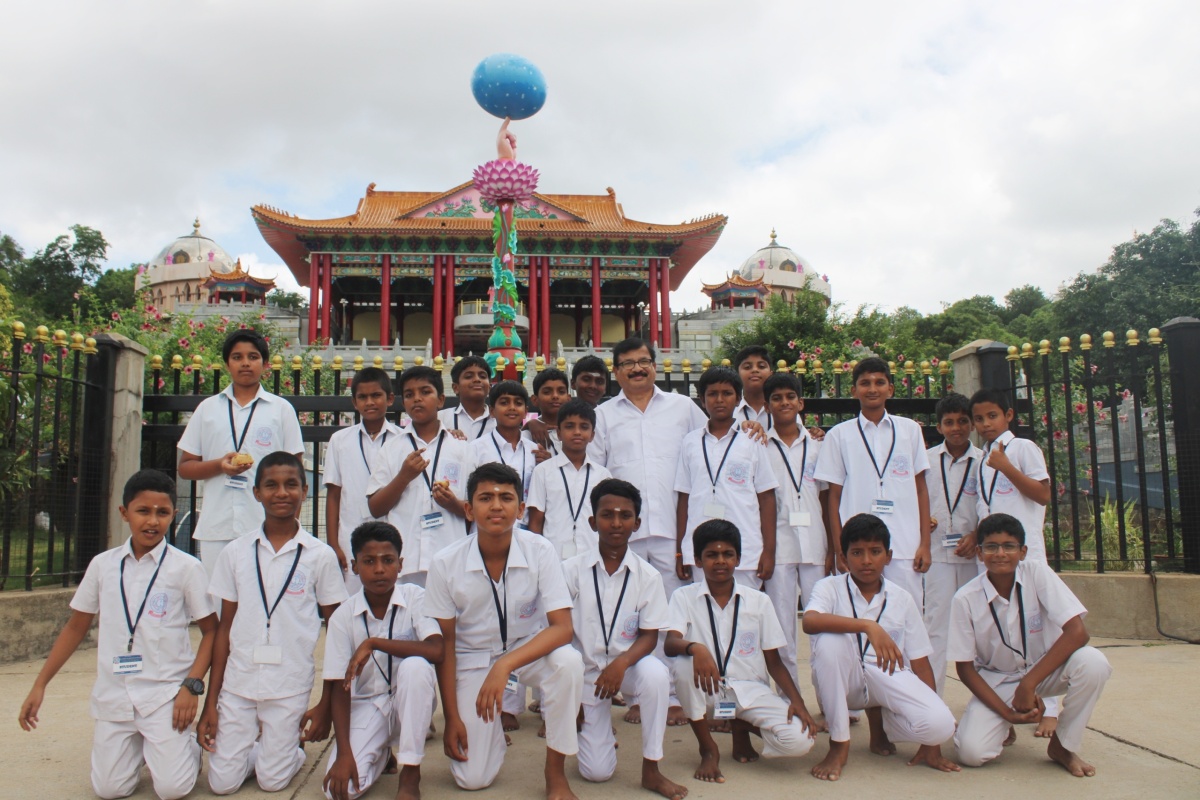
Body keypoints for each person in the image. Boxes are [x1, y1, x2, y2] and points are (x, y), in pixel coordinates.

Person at [19, 470, 216, 800]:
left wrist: (191, 686)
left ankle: (186, 751)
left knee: (173, 789)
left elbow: (211, 631)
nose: (152, 521)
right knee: (109, 789)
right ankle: (143, 750)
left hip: (165, 695)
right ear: (125, 513)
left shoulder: (186, 568)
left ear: (173, 514)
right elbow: (76, 627)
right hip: (115, 695)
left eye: (162, 512)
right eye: (143, 511)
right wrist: (40, 684)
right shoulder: (103, 565)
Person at [422, 463, 585, 798]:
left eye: (506, 498)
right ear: (468, 509)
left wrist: (505, 665)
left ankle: (555, 772)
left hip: (525, 650)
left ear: (521, 509)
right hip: (472, 658)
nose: (496, 505)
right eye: (485, 498)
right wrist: (452, 717)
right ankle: (489, 731)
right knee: (472, 779)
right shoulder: (445, 562)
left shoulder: (540, 549)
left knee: (568, 663)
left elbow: (562, 629)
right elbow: (446, 646)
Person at [197, 451, 348, 795]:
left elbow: (339, 632)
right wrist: (211, 702)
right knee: (221, 784)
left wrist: (325, 702)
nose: (281, 493)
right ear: (257, 493)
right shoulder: (236, 552)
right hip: (239, 682)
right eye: (271, 485)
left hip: (288, 684)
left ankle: (287, 752)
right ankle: (257, 750)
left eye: (291, 484)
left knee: (272, 782)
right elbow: (224, 629)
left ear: (305, 491)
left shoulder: (319, 556)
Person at [950, 513, 1111, 777]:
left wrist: (1029, 684)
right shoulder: (965, 598)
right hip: (998, 679)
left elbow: (1077, 633)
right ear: (979, 553)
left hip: (1045, 671)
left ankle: (1062, 746)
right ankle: (1004, 724)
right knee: (971, 754)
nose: (1000, 554)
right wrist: (1007, 713)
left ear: (1023, 551)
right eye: (991, 547)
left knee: (1094, 663)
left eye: (1009, 546)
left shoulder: (1037, 573)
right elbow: (965, 668)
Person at [802, 513, 959, 782]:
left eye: (875, 552)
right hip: (844, 679)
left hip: (886, 675)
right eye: (857, 553)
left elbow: (920, 662)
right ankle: (839, 743)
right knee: (830, 642)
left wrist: (931, 743)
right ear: (844, 558)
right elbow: (810, 621)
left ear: (888, 556)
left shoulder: (902, 598)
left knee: (942, 726)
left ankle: (882, 724)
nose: (866, 560)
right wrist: (868, 626)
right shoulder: (829, 587)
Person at [665, 519, 817, 783]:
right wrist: (696, 648)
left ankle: (741, 726)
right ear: (698, 561)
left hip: (749, 690)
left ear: (738, 559)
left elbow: (774, 661)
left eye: (728, 554)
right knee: (683, 663)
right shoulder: (683, 597)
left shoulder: (759, 601)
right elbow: (670, 643)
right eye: (711, 555)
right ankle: (708, 748)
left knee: (801, 739)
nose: (720, 561)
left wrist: (798, 702)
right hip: (708, 689)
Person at [562, 478, 687, 799]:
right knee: (597, 773)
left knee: (656, 674)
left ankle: (652, 768)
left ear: (637, 523)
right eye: (607, 515)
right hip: (585, 673)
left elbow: (649, 637)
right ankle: (597, 731)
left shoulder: (648, 576)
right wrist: (569, 698)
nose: (616, 523)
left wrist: (620, 664)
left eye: (625, 515)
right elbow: (558, 633)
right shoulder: (570, 571)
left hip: (627, 668)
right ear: (593, 522)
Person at [320, 521, 443, 800]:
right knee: (339, 791)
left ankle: (410, 772)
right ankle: (382, 753)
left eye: (388, 560)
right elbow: (340, 686)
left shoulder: (416, 597)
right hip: (367, 706)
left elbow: (437, 651)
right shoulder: (342, 616)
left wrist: (374, 643)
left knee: (415, 666)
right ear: (354, 566)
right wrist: (344, 753)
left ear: (400, 565)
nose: (379, 569)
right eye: (369, 561)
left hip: (409, 703)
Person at [969, 387, 1061, 735]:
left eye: (992, 416)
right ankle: (1005, 707)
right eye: (979, 419)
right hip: (993, 557)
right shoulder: (982, 458)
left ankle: (1051, 707)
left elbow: (1043, 494)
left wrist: (1007, 467)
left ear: (1008, 415)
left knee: (1041, 627)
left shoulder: (1022, 448)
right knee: (1001, 629)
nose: (986, 424)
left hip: (1024, 554)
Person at [177, 329, 304, 577]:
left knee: (266, 593)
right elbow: (185, 468)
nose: (245, 363)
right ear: (227, 364)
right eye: (237, 357)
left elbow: (296, 474)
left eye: (253, 357)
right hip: (217, 527)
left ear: (265, 364)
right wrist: (219, 466)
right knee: (219, 596)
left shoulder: (281, 410)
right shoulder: (207, 409)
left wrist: (291, 527)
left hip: (267, 526)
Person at [813, 356, 932, 607]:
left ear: (891, 389)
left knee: (904, 613)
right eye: (865, 383)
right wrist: (839, 549)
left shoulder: (910, 430)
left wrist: (925, 544)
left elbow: (921, 489)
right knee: (857, 612)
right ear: (854, 390)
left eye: (879, 382)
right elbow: (833, 497)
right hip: (857, 547)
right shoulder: (839, 435)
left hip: (905, 544)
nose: (872, 389)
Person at [366, 366, 475, 587]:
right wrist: (403, 477)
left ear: (441, 400)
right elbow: (375, 508)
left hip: (451, 559)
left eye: (425, 392)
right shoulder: (391, 448)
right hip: (405, 560)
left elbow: (476, 510)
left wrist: (453, 503)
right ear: (403, 402)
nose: (417, 399)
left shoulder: (462, 449)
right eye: (409, 394)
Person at [674, 366, 778, 588]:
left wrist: (769, 551)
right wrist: (681, 551)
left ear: (738, 399)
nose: (719, 400)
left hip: (746, 549)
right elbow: (684, 497)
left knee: (745, 607)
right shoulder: (690, 442)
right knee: (704, 607)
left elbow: (767, 497)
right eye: (712, 394)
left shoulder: (752, 439)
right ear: (702, 400)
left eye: (727, 393)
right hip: (699, 550)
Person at [761, 372, 831, 683]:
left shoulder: (819, 445)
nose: (784, 403)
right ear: (767, 406)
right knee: (782, 628)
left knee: (822, 627)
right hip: (779, 548)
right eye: (776, 398)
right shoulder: (759, 446)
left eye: (790, 397)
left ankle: (829, 697)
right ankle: (791, 699)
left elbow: (827, 497)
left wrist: (833, 549)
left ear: (800, 403)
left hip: (816, 544)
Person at [923, 392, 983, 696]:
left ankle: (987, 699)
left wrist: (977, 535)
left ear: (972, 424)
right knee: (936, 626)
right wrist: (923, 520)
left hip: (974, 556)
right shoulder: (926, 461)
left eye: (962, 421)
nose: (956, 428)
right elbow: (915, 499)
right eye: (949, 422)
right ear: (939, 427)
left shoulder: (984, 462)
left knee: (980, 626)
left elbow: (992, 506)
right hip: (937, 555)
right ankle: (932, 699)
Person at [324, 367, 402, 591]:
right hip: (350, 534)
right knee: (352, 598)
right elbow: (333, 494)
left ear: (390, 399)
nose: (370, 402)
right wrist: (333, 544)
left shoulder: (403, 439)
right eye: (363, 397)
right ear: (354, 402)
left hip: (394, 531)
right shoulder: (340, 440)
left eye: (376, 395)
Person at [527, 399, 612, 558]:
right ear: (559, 433)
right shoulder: (543, 471)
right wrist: (535, 558)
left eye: (584, 427)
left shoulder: (603, 475)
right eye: (569, 426)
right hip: (552, 557)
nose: (577, 432)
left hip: (592, 555)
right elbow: (536, 521)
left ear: (592, 435)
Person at [472, 379, 545, 513]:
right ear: (492, 411)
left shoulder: (535, 451)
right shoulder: (476, 449)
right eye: (504, 403)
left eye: (518, 403)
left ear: (525, 411)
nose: (512, 407)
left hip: (525, 523)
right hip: (489, 521)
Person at [438, 356, 495, 441]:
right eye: (468, 376)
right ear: (455, 388)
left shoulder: (499, 420)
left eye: (482, 376)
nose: (477, 379)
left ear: (489, 387)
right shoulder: (440, 418)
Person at [524, 367, 570, 454]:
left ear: (568, 398)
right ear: (535, 400)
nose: (555, 396)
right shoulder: (527, 435)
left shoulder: (578, 430)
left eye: (561, 392)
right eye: (547, 392)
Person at [733, 345, 773, 429]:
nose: (755, 370)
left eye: (761, 366)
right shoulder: (730, 410)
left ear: (770, 374)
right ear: (737, 374)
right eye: (747, 367)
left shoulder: (782, 407)